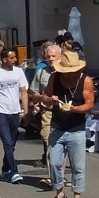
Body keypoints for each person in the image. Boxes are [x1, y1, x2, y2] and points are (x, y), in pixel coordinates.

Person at [39, 47, 94, 198]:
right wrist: (51, 99)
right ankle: (59, 194)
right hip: (57, 126)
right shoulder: (55, 78)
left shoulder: (85, 80)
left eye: (73, 71)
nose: (70, 75)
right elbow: (44, 98)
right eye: (67, 71)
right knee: (54, 163)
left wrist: (75, 109)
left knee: (78, 167)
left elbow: (90, 103)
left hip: (76, 128)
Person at [0, 46, 28, 183]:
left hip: (15, 111)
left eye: (15, 57)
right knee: (7, 143)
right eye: (12, 58)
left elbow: (23, 91)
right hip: (1, 111)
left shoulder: (19, 72)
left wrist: (26, 110)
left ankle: (5, 169)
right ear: (4, 60)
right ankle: (14, 172)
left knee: (12, 143)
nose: (15, 60)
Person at [29, 43, 59, 179]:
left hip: (65, 113)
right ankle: (52, 177)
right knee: (49, 144)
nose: (51, 59)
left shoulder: (67, 72)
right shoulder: (41, 73)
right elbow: (32, 93)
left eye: (53, 56)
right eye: (48, 57)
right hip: (48, 113)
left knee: (62, 147)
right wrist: (42, 98)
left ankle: (59, 175)